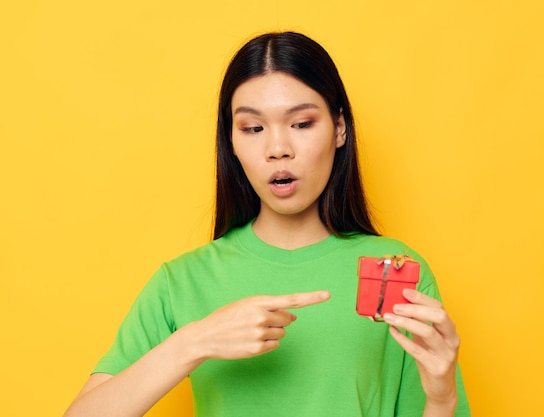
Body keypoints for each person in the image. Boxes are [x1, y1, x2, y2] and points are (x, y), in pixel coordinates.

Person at [64, 31, 471, 417]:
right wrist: (195, 341)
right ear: (232, 142)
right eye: (253, 128)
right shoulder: (182, 282)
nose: (278, 149)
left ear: (339, 128)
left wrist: (442, 397)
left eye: (302, 123)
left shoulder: (397, 275)